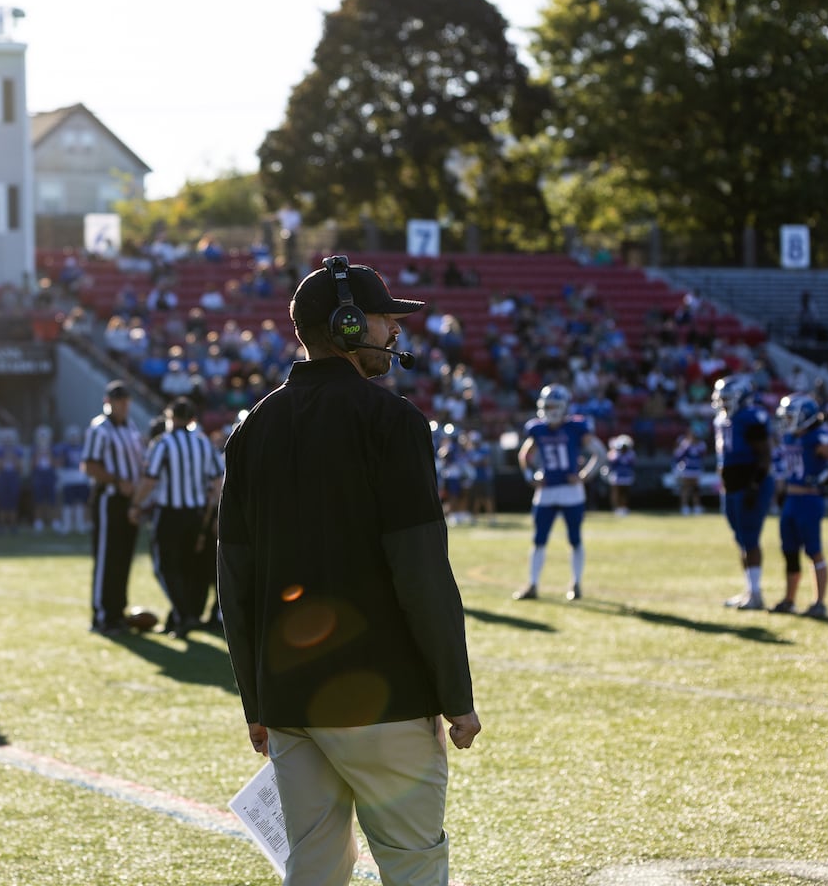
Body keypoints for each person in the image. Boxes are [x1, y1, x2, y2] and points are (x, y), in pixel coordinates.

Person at [217, 256, 479, 886]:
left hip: (290, 700)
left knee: (313, 870)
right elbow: (420, 572)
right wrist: (455, 695)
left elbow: (236, 581)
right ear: (349, 323)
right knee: (413, 865)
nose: (395, 332)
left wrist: (256, 700)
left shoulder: (252, 429)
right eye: (387, 320)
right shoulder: (394, 422)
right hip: (386, 696)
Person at [129, 397, 223, 638]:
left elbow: (150, 480)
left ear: (170, 418)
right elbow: (217, 482)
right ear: (192, 419)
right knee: (192, 568)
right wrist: (212, 514)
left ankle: (184, 615)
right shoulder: (204, 443)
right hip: (197, 514)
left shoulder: (164, 443)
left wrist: (136, 505)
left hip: (170, 514)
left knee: (166, 567)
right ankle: (185, 614)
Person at [515, 384, 603, 601]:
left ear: (564, 406)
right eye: (547, 405)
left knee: (574, 539)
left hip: (571, 491)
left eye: (554, 405)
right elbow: (524, 455)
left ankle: (576, 582)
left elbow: (599, 453)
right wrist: (531, 476)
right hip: (546, 491)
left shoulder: (576, 427)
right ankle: (533, 584)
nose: (550, 409)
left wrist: (583, 475)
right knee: (538, 539)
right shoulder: (537, 428)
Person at [771, 393, 828, 618]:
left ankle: (819, 602)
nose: (787, 421)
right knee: (789, 552)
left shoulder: (816, 437)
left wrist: (824, 479)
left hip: (809, 499)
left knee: (814, 551)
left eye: (791, 416)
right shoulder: (790, 438)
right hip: (791, 499)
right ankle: (789, 599)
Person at [81, 379, 145, 637]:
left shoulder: (130, 426)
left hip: (129, 500)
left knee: (124, 557)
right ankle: (102, 615)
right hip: (109, 498)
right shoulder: (99, 428)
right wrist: (118, 482)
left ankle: (117, 612)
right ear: (109, 402)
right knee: (107, 557)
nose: (123, 406)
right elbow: (89, 465)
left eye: (126, 401)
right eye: (119, 401)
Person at [712, 375, 775, 610]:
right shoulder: (722, 420)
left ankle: (756, 594)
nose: (724, 403)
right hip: (731, 487)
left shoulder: (751, 417)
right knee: (741, 539)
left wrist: (754, 485)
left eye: (728, 399)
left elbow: (764, 455)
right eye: (722, 399)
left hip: (750, 484)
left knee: (750, 538)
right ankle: (750, 590)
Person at [673, 426, 707, 515]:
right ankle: (685, 507)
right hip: (687, 470)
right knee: (686, 488)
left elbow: (702, 455)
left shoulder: (701, 445)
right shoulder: (686, 444)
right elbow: (678, 456)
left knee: (696, 489)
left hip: (696, 469)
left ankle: (697, 506)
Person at [605, 434, 636, 516]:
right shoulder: (615, 453)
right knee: (616, 493)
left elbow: (631, 463)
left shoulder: (631, 454)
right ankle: (616, 508)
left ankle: (624, 508)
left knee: (625, 493)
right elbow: (611, 462)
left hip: (626, 476)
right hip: (617, 476)